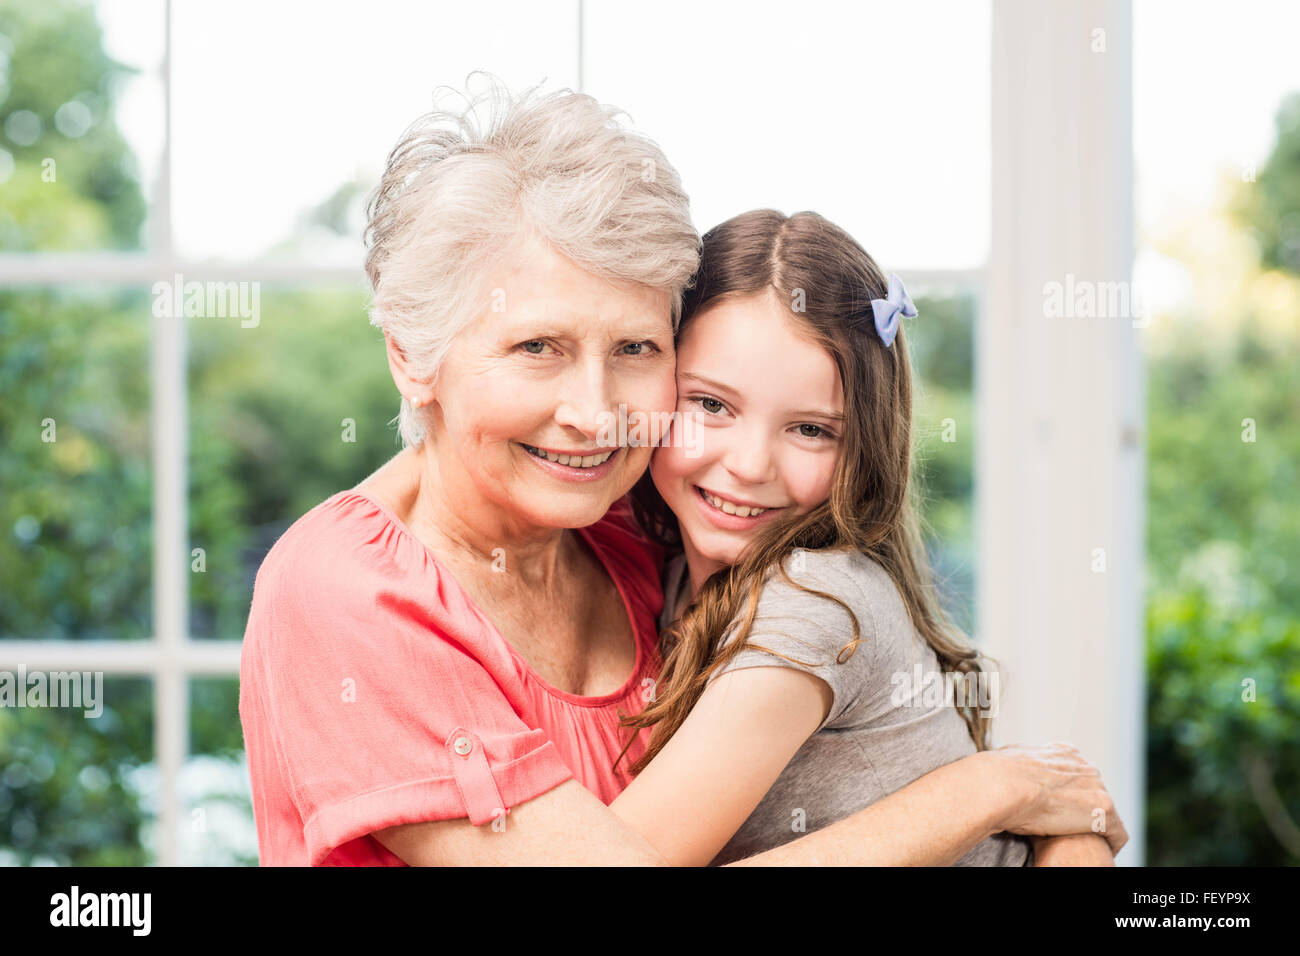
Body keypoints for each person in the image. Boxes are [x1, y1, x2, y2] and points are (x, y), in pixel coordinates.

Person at [238, 77, 1124, 865]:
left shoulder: (641, 528)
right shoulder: (344, 596)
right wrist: (986, 792)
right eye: (537, 346)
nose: (595, 413)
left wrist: (1059, 834)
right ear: (411, 354)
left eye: (634, 348)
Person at [614, 209, 1115, 865]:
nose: (749, 465)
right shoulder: (670, 565)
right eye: (711, 405)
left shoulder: (814, 600)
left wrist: (1000, 793)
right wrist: (994, 788)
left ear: (864, 451)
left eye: (811, 430)